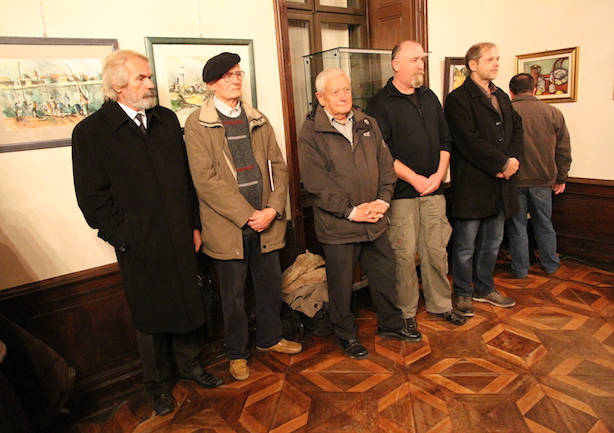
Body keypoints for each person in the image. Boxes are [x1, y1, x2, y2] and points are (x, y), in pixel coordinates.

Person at [72, 50, 222, 417]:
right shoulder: (91, 132)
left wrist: (193, 224)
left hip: (180, 234)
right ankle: (157, 385)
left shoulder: (166, 120)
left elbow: (186, 180)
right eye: (141, 78)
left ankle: (191, 367)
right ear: (117, 86)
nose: (150, 84)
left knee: (186, 302)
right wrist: (126, 237)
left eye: (149, 76)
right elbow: (92, 200)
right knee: (150, 316)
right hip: (139, 243)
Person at [184, 52, 301, 382]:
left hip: (267, 222)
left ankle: (270, 338)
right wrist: (249, 215)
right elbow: (205, 180)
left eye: (238, 74)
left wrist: (273, 209)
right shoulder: (197, 123)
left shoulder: (258, 119)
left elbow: (278, 167)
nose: (235, 80)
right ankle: (236, 353)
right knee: (233, 297)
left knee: (269, 286)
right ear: (211, 85)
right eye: (227, 76)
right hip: (228, 228)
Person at [298, 67, 421, 361]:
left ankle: (391, 325)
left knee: (385, 275)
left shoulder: (367, 122)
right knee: (341, 286)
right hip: (339, 225)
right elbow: (317, 182)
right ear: (321, 97)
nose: (344, 96)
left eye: (347, 90)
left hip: (374, 220)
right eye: (335, 92)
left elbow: (386, 165)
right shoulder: (310, 132)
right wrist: (351, 212)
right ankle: (346, 335)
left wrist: (383, 200)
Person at [366, 40, 466, 330]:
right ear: (396, 65)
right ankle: (405, 312)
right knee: (404, 256)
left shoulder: (429, 96)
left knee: (436, 252)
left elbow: (446, 140)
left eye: (422, 59)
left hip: (434, 190)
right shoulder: (380, 103)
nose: (420, 65)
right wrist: (414, 178)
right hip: (401, 196)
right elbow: (383, 153)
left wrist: (438, 175)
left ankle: (441, 305)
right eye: (414, 60)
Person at [444, 42, 523, 317]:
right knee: (465, 245)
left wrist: (511, 161)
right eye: (490, 59)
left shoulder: (501, 96)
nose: (496, 63)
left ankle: (484, 288)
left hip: (501, 184)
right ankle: (463, 292)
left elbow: (517, 130)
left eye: (498, 58)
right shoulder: (458, 99)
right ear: (473, 65)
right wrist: (501, 164)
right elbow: (469, 141)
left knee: (492, 243)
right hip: (473, 185)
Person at [507, 73, 572, 278]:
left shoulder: (505, 112)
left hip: (514, 179)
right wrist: (561, 177)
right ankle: (550, 264)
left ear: (511, 92)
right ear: (535, 89)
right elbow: (563, 149)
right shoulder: (552, 112)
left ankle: (520, 269)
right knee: (544, 224)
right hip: (544, 179)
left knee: (517, 227)